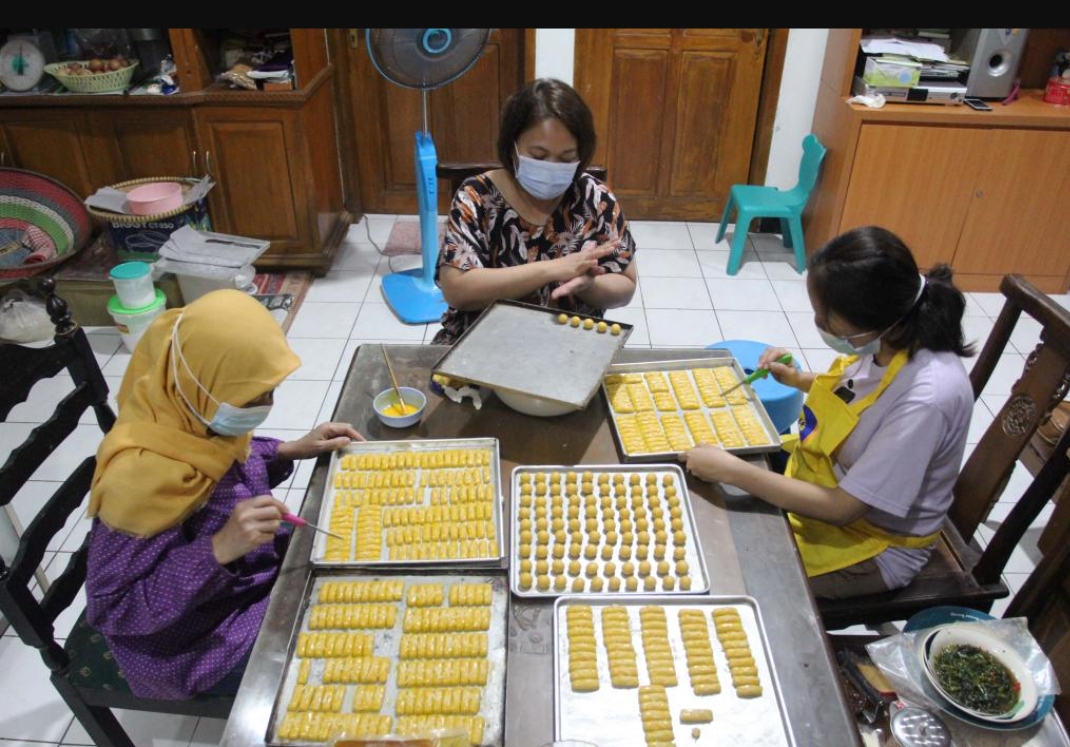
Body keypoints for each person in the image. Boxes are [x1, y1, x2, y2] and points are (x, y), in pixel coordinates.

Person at [85, 289, 364, 699]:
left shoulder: (195, 415)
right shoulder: (139, 484)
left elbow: (229, 464)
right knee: (344, 650)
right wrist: (216, 549)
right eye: (252, 399)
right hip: (193, 640)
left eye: (270, 392)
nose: (265, 406)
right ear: (202, 380)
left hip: (241, 583)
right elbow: (113, 610)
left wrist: (289, 449)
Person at [680, 226, 975, 600]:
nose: (818, 324)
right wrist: (799, 379)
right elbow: (865, 399)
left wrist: (732, 470)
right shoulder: (890, 338)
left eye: (826, 318)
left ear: (872, 320)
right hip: (828, 483)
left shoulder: (927, 397)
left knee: (737, 578)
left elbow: (843, 509)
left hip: (871, 542)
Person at [432, 78, 637, 345]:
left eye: (566, 158)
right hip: (480, 345)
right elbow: (457, 289)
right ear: (513, 146)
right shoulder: (477, 197)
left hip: (570, 346)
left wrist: (590, 286)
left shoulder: (595, 198)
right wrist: (553, 269)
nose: (552, 167)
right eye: (539, 156)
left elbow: (625, 286)